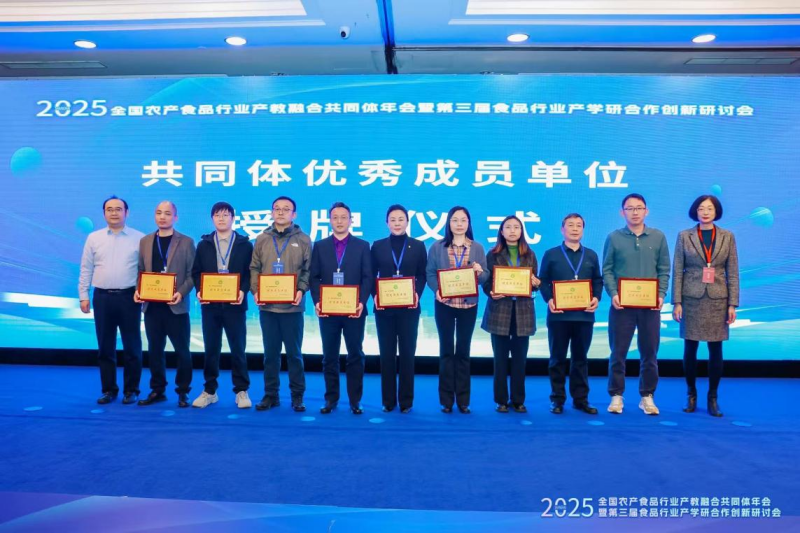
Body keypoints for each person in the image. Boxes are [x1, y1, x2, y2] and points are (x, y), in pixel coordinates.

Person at [603, 193, 670, 416]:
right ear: (622, 212)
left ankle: (647, 396)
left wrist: (661, 294)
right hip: (621, 307)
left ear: (646, 211)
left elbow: (664, 270)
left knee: (649, 353)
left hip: (650, 307)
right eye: (630, 208)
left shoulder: (658, 237)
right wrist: (613, 294)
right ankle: (616, 395)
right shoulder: (614, 237)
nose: (635, 212)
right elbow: (607, 270)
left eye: (639, 208)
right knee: (618, 353)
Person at [672, 195, 739, 417]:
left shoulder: (728, 236)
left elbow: (733, 272)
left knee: (715, 349)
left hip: (718, 299)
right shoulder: (684, 236)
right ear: (695, 211)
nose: (705, 212)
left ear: (716, 211)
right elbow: (678, 271)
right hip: (691, 298)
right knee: (690, 348)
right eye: (701, 208)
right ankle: (691, 394)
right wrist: (677, 302)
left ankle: (713, 397)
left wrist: (732, 304)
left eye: (709, 208)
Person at [79, 196, 145, 405]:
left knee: (132, 347)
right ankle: (109, 390)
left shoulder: (140, 238)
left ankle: (131, 390)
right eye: (109, 209)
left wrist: (144, 294)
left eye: (118, 209)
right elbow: (86, 268)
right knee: (105, 347)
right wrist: (83, 295)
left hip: (129, 298)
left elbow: (144, 271)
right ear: (104, 213)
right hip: (102, 298)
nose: (114, 213)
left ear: (127, 213)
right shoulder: (94, 238)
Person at [310, 202, 373, 415]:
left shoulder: (362, 245)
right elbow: (314, 277)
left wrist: (361, 302)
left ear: (350, 220)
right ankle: (331, 398)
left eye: (343, 217)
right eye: (335, 217)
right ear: (329, 220)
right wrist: (317, 301)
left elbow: (367, 277)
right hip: (328, 311)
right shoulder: (320, 246)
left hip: (354, 310)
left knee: (355, 354)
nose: (339, 221)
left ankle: (355, 400)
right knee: (329, 356)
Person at [249, 196, 312, 412]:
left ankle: (297, 396)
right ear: (272, 212)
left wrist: (301, 290)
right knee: (270, 355)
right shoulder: (262, 239)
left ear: (294, 214)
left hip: (292, 307)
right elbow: (254, 268)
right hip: (268, 307)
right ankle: (271, 395)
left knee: (294, 355)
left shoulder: (303, 239)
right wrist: (256, 290)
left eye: (286, 209)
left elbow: (308, 270)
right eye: (277, 208)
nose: (281, 212)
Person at [538, 213, 603, 415]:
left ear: (583, 230)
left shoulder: (591, 255)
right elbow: (543, 281)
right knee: (557, 359)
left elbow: (597, 280)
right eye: (570, 225)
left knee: (580, 359)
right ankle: (557, 399)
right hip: (558, 316)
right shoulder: (551, 254)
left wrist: (596, 298)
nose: (575, 229)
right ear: (562, 229)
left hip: (584, 316)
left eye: (579, 225)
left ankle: (581, 400)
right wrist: (549, 299)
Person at [191, 202, 254, 409]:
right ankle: (210, 391)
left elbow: (250, 273)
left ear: (233, 218)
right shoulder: (204, 245)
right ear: (212, 219)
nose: (221, 218)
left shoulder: (245, 244)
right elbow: (196, 272)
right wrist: (200, 290)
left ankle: (241, 391)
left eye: (226, 215)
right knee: (211, 349)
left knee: (238, 349)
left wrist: (243, 291)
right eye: (217, 215)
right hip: (210, 306)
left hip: (235, 305)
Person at [426, 206, 488, 414]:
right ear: (449, 223)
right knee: (446, 351)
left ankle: (463, 400)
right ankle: (446, 401)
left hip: (468, 305)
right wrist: (437, 290)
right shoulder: (437, 247)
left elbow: (485, 276)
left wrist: (480, 273)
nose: (459, 224)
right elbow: (430, 273)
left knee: (463, 351)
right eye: (455, 220)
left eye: (463, 220)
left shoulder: (477, 247)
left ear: (469, 223)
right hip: (444, 305)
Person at [134, 201, 196, 408]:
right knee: (155, 351)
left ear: (175, 218)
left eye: (167, 213)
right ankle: (157, 390)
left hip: (176, 306)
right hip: (152, 306)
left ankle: (183, 391)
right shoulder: (145, 241)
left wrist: (181, 293)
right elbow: (140, 271)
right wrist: (139, 290)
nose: (162, 217)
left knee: (182, 351)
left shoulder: (186, 242)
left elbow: (193, 274)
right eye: (159, 212)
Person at [371, 204, 427, 413]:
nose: (397, 223)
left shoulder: (418, 246)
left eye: (401, 219)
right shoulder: (377, 246)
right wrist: (375, 296)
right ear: (387, 223)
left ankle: (406, 401)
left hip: (409, 308)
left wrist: (416, 293)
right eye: (393, 220)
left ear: (407, 222)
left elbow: (422, 274)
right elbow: (370, 275)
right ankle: (388, 401)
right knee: (386, 355)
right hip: (384, 309)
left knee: (407, 354)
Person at [481, 215, 540, 413]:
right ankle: (501, 400)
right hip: (500, 311)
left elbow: (535, 282)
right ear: (501, 231)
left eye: (516, 227)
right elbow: (486, 282)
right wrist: (491, 292)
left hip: (523, 312)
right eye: (508, 227)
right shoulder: (493, 254)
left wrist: (536, 283)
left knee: (520, 359)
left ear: (522, 231)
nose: (512, 230)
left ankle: (518, 400)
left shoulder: (530, 254)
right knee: (500, 359)